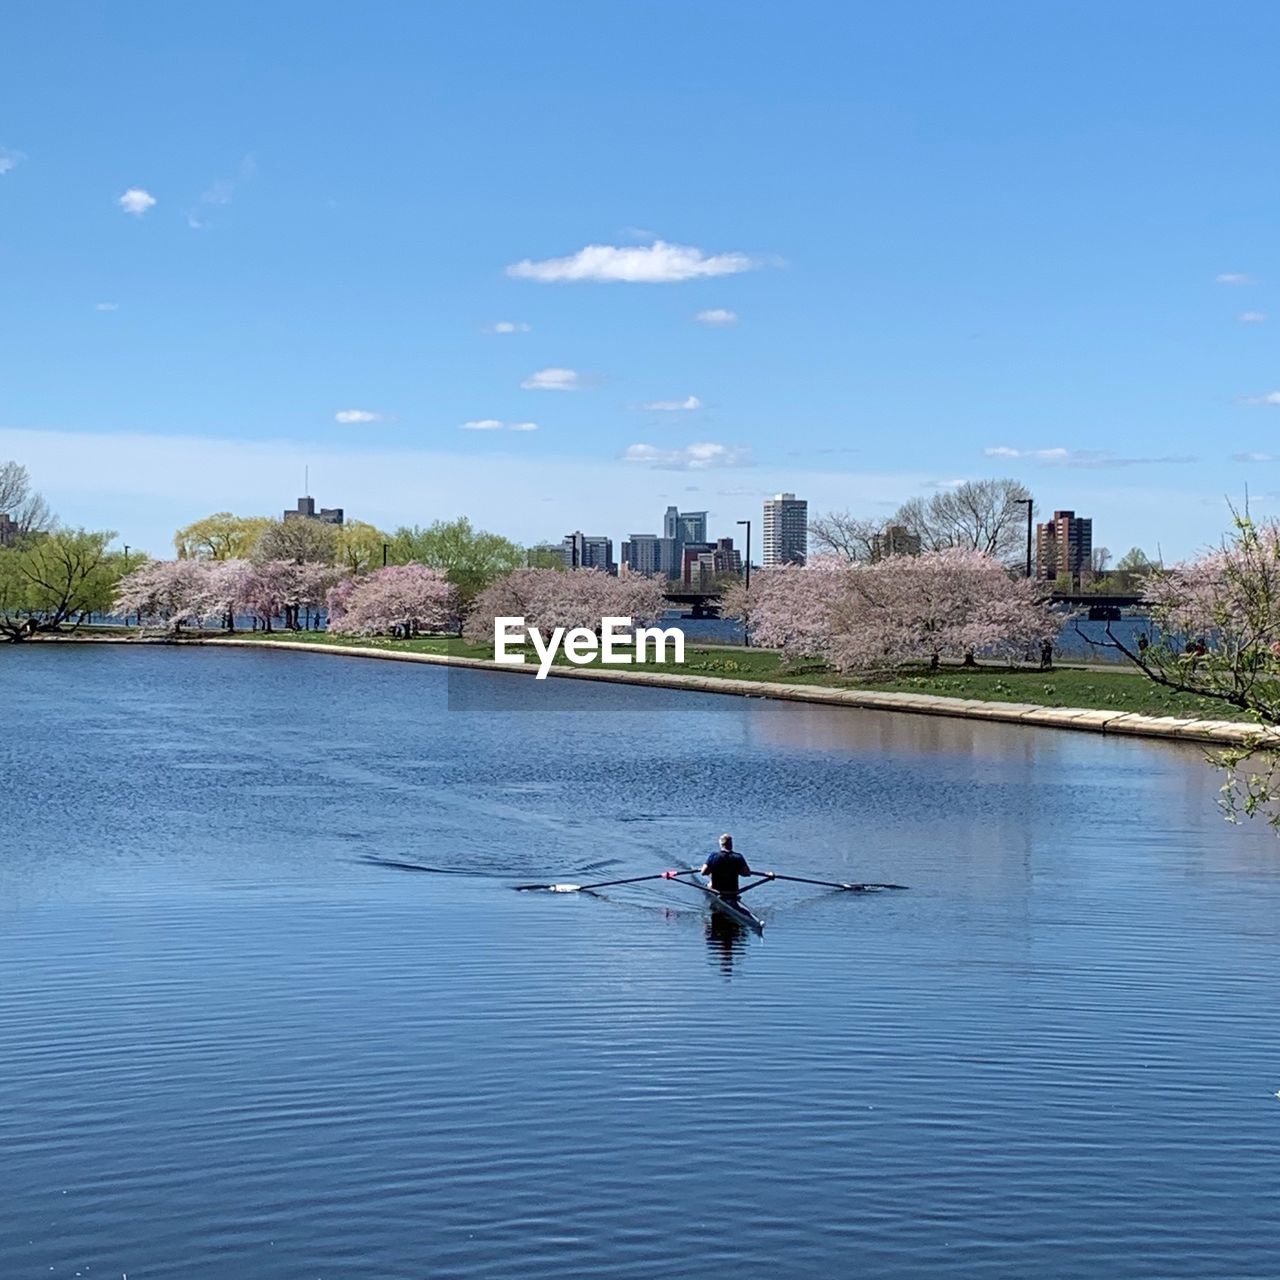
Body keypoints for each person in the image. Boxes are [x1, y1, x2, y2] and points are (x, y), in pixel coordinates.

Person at [700, 834, 772, 901]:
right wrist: (768, 875)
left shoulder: (714, 856)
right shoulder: (738, 857)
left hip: (718, 892)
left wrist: (711, 869)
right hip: (733, 893)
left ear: (721, 844)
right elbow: (746, 873)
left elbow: (703, 872)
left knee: (709, 882)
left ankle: (711, 885)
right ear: (731, 845)